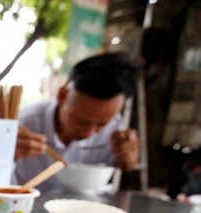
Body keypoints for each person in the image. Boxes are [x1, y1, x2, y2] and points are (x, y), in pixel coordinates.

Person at [14, 53, 140, 192]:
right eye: (82, 121)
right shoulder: (23, 123)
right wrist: (7, 153)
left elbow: (124, 166)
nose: (89, 133)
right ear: (62, 96)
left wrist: (127, 158)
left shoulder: (115, 127)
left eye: (101, 125)